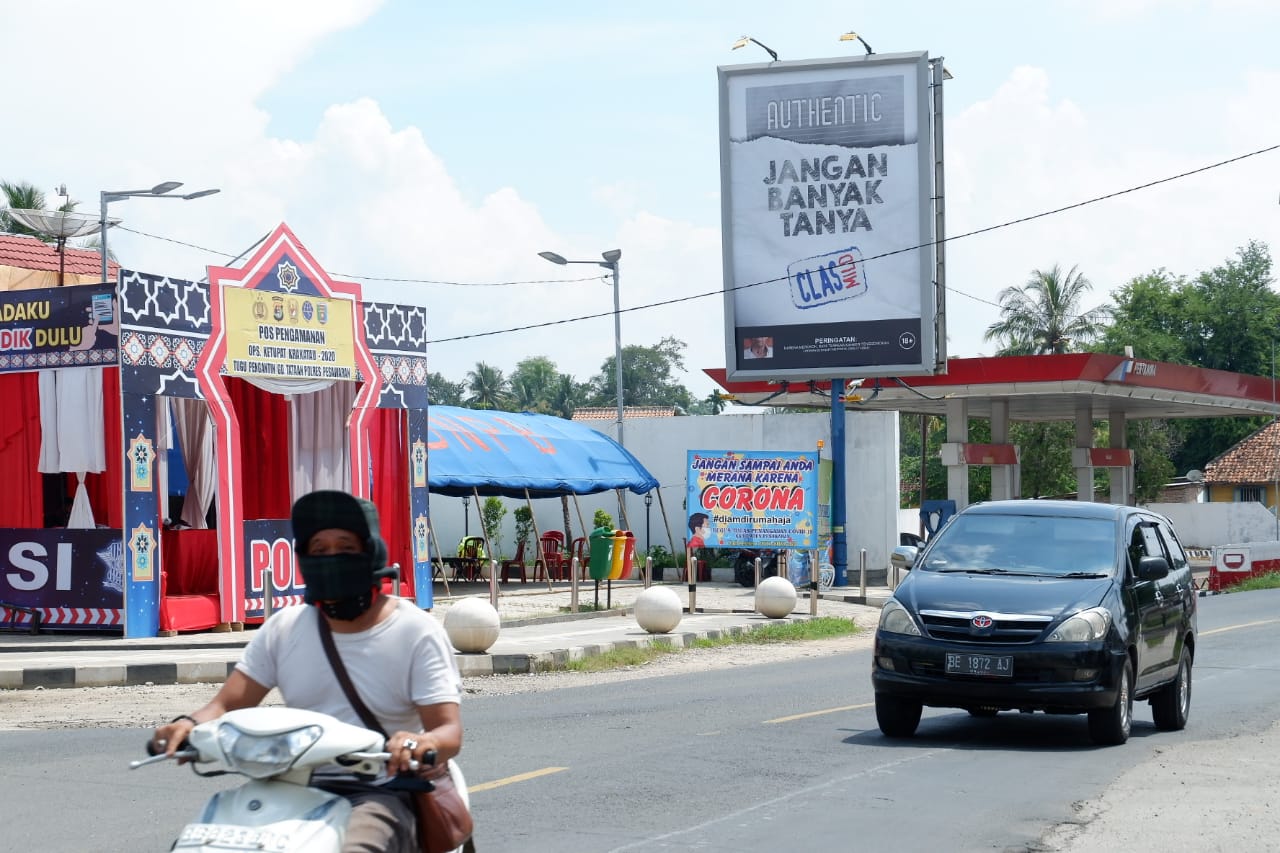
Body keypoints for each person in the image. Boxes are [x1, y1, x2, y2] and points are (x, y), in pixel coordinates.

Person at [152, 490, 463, 853]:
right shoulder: (285, 628)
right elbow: (225, 705)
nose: (332, 557)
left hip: (378, 789)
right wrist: (187, 724)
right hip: (289, 784)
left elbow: (448, 731)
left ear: (370, 552)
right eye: (320, 549)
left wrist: (419, 742)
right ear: (305, 558)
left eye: (345, 547)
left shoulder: (415, 631)